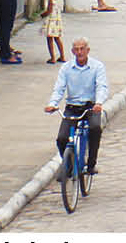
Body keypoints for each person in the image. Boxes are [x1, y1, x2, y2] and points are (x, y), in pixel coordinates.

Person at [44, 38, 109, 175]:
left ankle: (91, 164)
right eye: (76, 49)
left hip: (91, 107)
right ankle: (68, 163)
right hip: (72, 107)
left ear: (87, 50)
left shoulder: (97, 66)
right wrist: (52, 104)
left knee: (95, 128)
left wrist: (99, 102)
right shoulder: (66, 68)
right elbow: (59, 88)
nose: (79, 52)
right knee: (62, 138)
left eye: (82, 49)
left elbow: (101, 86)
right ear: (72, 51)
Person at [42, 0, 69, 64]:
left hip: (51, 22)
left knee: (49, 39)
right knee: (57, 39)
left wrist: (43, 15)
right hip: (57, 22)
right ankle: (62, 56)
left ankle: (52, 57)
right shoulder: (58, 0)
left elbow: (49, 11)